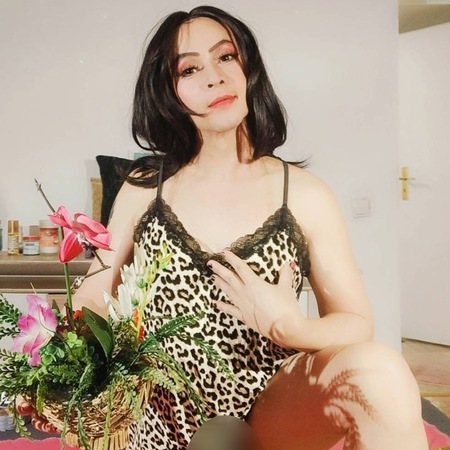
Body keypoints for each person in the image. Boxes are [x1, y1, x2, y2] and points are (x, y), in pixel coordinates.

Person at [72, 5, 427, 449]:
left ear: (248, 69)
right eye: (189, 69)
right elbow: (94, 293)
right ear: (167, 91)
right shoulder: (144, 187)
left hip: (272, 409)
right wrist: (60, 359)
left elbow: (356, 322)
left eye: (226, 57)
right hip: (164, 410)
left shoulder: (304, 194)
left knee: (382, 374)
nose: (215, 77)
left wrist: (290, 327)